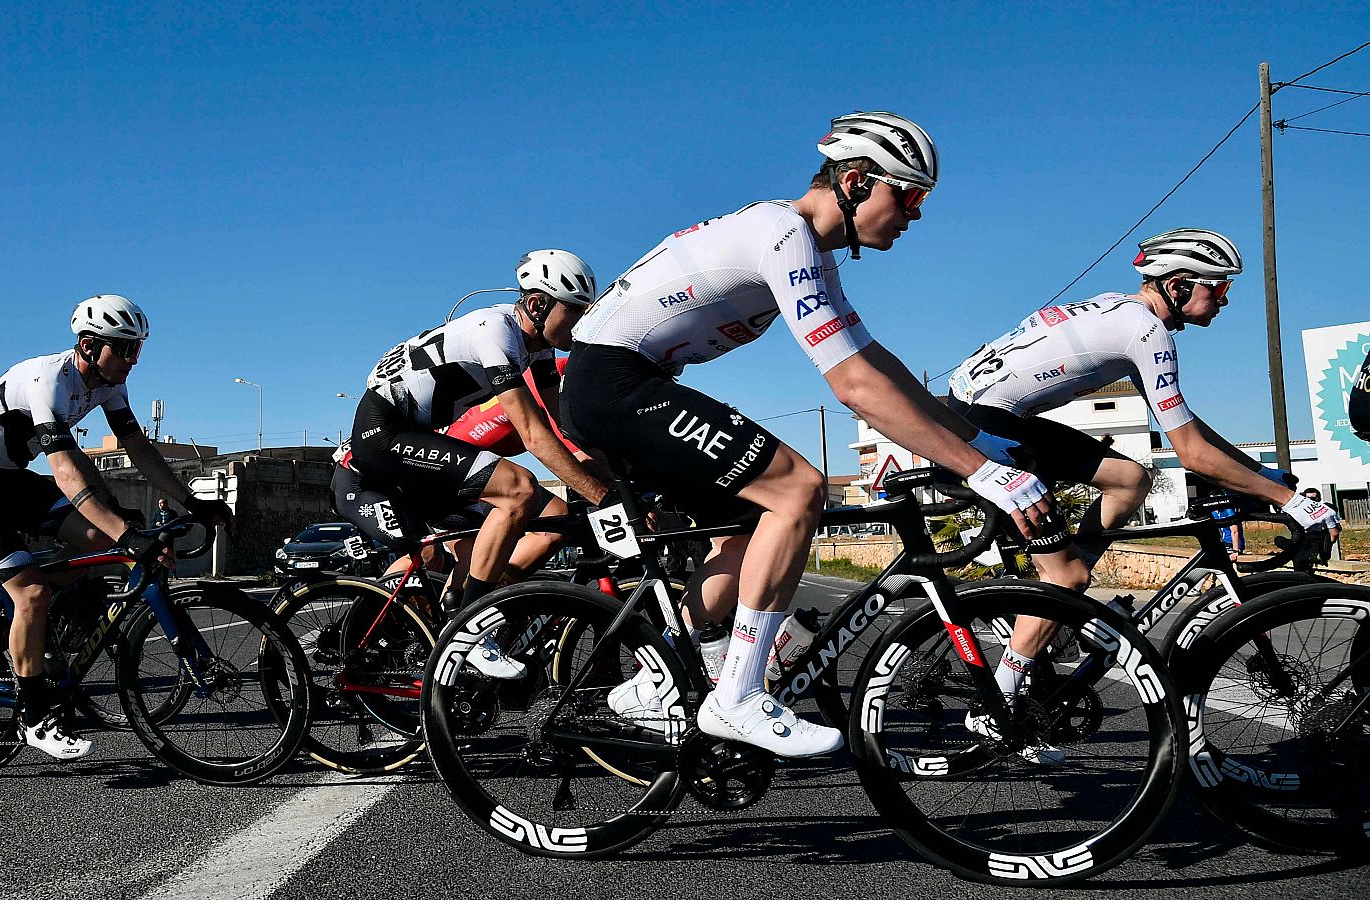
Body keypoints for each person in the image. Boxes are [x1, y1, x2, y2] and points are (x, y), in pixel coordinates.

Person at [562, 112, 1055, 757]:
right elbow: (853, 387)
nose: (915, 214)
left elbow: (875, 363)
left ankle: (661, 678)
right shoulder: (784, 235)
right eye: (908, 195)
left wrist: (970, 438)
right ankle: (737, 696)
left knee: (749, 526)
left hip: (619, 382)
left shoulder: (805, 250)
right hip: (612, 381)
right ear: (855, 181)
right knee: (797, 489)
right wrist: (981, 472)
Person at [942, 228, 1340, 760]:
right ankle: (999, 705)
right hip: (983, 427)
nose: (1225, 300)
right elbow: (1194, 456)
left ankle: (1056, 607)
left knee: (1129, 478)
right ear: (1177, 286)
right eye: (1218, 289)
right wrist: (1288, 502)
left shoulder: (1125, 314)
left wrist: (1266, 478)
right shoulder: (1147, 334)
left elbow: (1189, 430)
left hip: (984, 413)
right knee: (1067, 576)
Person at [0, 294, 232, 761]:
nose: (133, 359)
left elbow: (140, 450)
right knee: (31, 591)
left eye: (138, 349)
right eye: (124, 348)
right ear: (89, 346)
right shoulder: (47, 379)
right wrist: (124, 531)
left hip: (8, 479)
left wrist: (193, 500)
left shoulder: (110, 384)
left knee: (96, 541)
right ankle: (32, 717)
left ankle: (34, 631)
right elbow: (67, 470)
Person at [342, 355, 586, 606]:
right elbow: (571, 452)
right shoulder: (555, 382)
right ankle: (455, 614)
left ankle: (477, 607)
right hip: (427, 469)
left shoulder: (558, 376)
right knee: (435, 554)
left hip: (454, 469)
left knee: (536, 528)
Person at [1295, 487, 1341, 570]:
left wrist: (1328, 544)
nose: (1311, 501)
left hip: (1320, 539)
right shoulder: (1298, 511)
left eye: (1313, 499)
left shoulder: (1326, 510)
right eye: (1308, 499)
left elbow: (1335, 531)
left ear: (1319, 499)